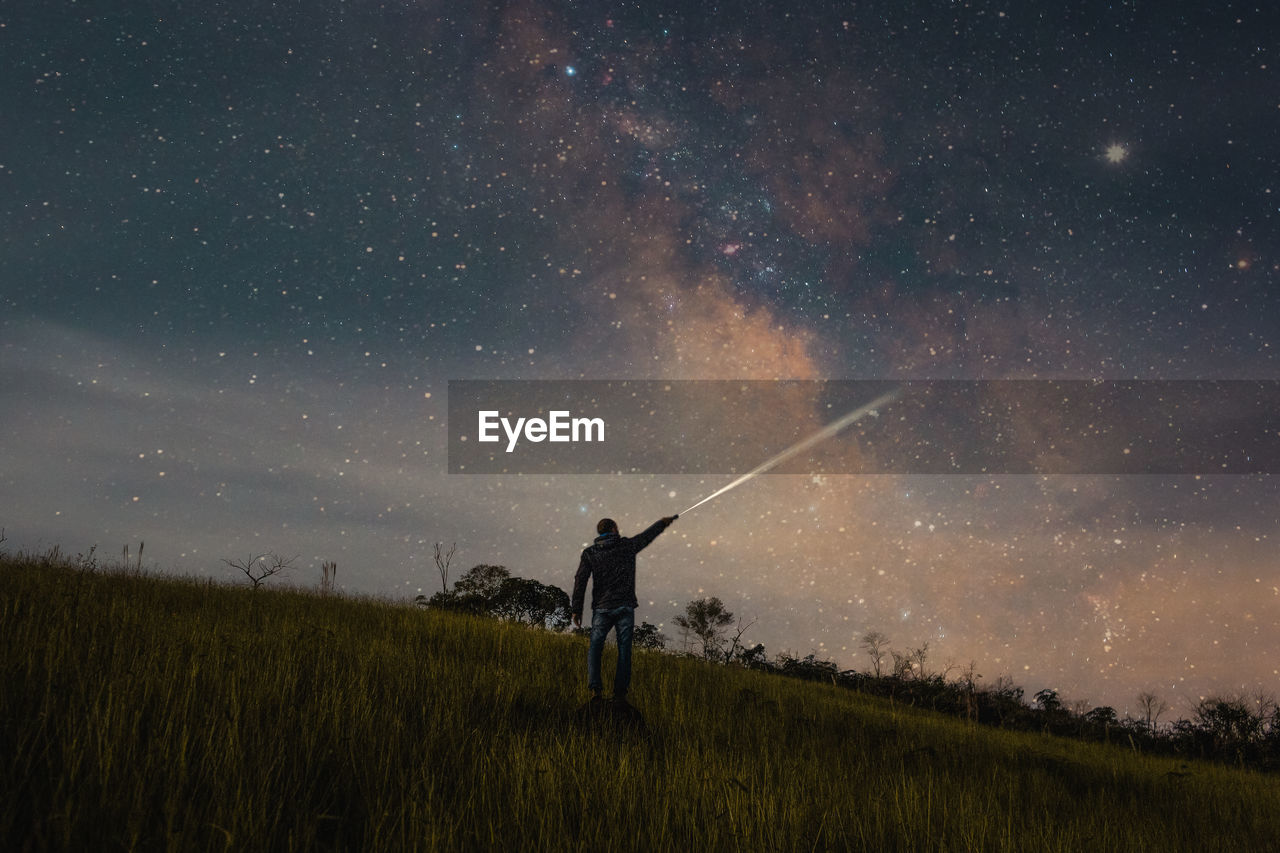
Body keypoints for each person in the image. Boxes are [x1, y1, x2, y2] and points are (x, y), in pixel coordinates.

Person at [571, 514, 677, 703]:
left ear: (600, 532)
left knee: (595, 648)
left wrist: (576, 609)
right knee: (624, 650)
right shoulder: (627, 546)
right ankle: (619, 694)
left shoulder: (590, 553)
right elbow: (647, 536)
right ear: (614, 529)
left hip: (602, 608)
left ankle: (595, 690)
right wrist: (662, 523)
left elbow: (580, 580)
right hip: (625, 606)